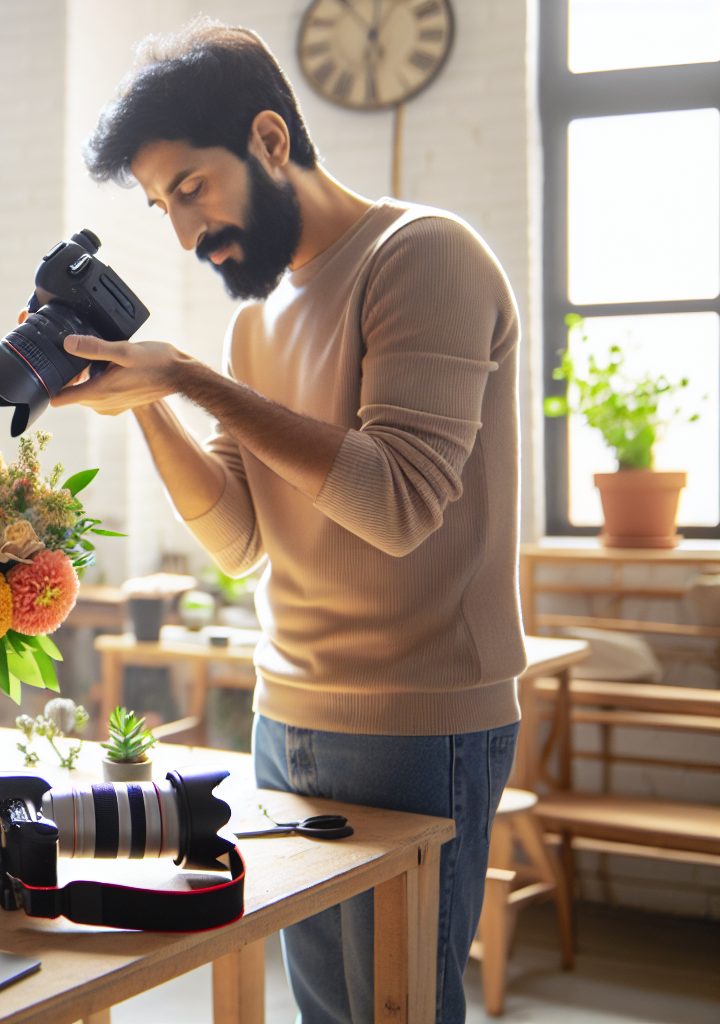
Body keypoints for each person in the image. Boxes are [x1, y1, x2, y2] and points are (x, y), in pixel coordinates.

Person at [57, 20, 524, 1024]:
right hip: (286, 715)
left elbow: (397, 504)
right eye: (159, 205)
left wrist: (189, 377)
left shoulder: (422, 256)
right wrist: (145, 401)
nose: (183, 231)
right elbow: (237, 541)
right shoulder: (254, 319)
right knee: (322, 1012)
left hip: (419, 720)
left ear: (270, 141)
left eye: (191, 189)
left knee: (397, 1008)